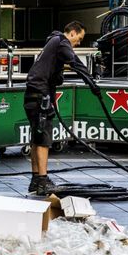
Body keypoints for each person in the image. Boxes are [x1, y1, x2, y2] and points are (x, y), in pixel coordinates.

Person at [24, 21, 100, 195]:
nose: (78, 43)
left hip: (32, 94)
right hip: (39, 95)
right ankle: (42, 181)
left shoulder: (52, 42)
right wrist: (91, 81)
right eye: (79, 39)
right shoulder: (62, 42)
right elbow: (75, 62)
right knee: (43, 139)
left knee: (37, 138)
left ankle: (36, 179)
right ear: (72, 33)